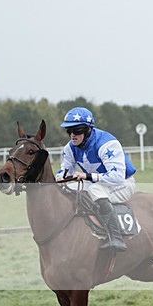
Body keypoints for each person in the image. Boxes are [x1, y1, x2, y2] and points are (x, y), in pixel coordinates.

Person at [55, 106, 137, 251]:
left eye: (77, 131)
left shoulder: (107, 143)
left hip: (123, 184)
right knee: (68, 189)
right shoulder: (70, 148)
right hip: (98, 182)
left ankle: (116, 237)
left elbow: (118, 176)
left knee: (95, 190)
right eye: (69, 131)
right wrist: (59, 179)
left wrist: (87, 176)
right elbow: (65, 170)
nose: (72, 135)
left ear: (88, 130)